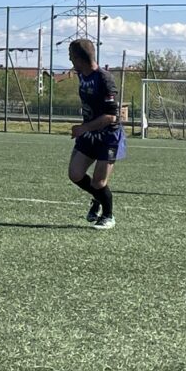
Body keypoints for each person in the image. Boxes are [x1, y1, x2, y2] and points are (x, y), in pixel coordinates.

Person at [67, 38, 125, 230]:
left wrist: (83, 128)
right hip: (89, 134)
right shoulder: (81, 74)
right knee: (75, 174)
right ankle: (97, 198)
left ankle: (108, 216)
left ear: (79, 58)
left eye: (71, 56)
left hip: (108, 136)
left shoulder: (104, 79)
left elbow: (111, 116)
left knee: (99, 182)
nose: (69, 59)